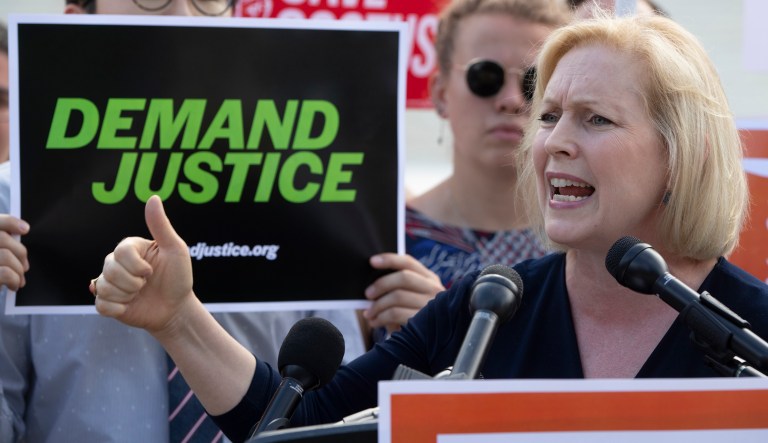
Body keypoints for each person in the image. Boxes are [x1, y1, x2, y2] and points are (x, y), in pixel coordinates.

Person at [91, 10, 768, 443]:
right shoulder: (482, 310)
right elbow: (295, 427)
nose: (555, 141)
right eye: (551, 115)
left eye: (596, 118)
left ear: (682, 154)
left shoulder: (753, 326)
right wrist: (177, 316)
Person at [0, 1, 366, 442]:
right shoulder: (11, 200)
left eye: (209, 2)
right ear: (80, 23)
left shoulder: (309, 187)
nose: (186, 18)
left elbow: (338, 415)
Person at [361, 0, 570, 337]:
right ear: (440, 94)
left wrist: (442, 325)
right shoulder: (383, 240)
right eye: (485, 76)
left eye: (534, 81)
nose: (512, 99)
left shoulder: (589, 241)